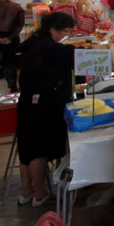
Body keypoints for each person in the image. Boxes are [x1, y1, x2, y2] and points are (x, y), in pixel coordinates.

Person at [14, 11, 78, 208]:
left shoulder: (33, 41)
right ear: (53, 30)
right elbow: (78, 58)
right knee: (38, 150)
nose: (66, 35)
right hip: (43, 104)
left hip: (26, 101)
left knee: (26, 149)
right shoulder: (52, 49)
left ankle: (25, 192)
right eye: (64, 31)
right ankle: (40, 194)